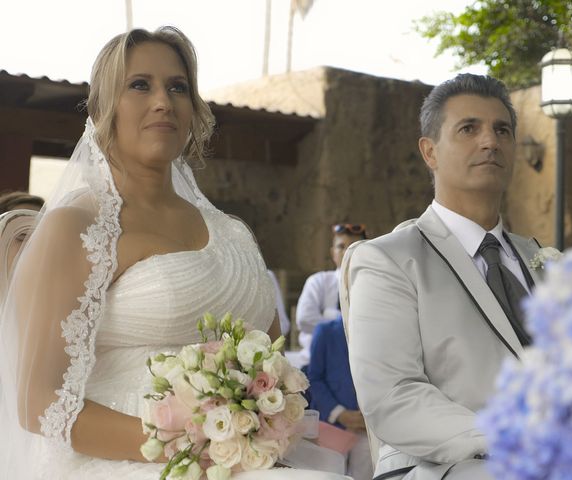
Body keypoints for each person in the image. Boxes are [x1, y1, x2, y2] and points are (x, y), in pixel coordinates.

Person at [0, 27, 347, 480]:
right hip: (129, 462)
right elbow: (39, 402)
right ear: (105, 107)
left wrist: (255, 428)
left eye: (178, 87)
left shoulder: (235, 232)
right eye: (140, 84)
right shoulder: (75, 226)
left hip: (244, 461)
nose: (163, 100)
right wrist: (187, 444)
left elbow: (274, 362)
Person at [342, 74, 545, 480]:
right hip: (447, 467)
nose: (490, 141)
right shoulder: (388, 259)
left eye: (502, 130)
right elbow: (394, 397)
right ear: (429, 151)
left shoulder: (543, 261)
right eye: (469, 128)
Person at [288, 224, 366, 370]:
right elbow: (305, 319)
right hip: (316, 365)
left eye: (354, 247)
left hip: (358, 368)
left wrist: (329, 315)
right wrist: (343, 321)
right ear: (333, 253)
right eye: (341, 247)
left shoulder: (373, 286)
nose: (347, 252)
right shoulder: (317, 281)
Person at [308, 315, 373, 480]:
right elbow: (313, 378)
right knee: (329, 476)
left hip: (368, 425)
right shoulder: (326, 331)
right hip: (333, 425)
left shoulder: (378, 329)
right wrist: (340, 413)